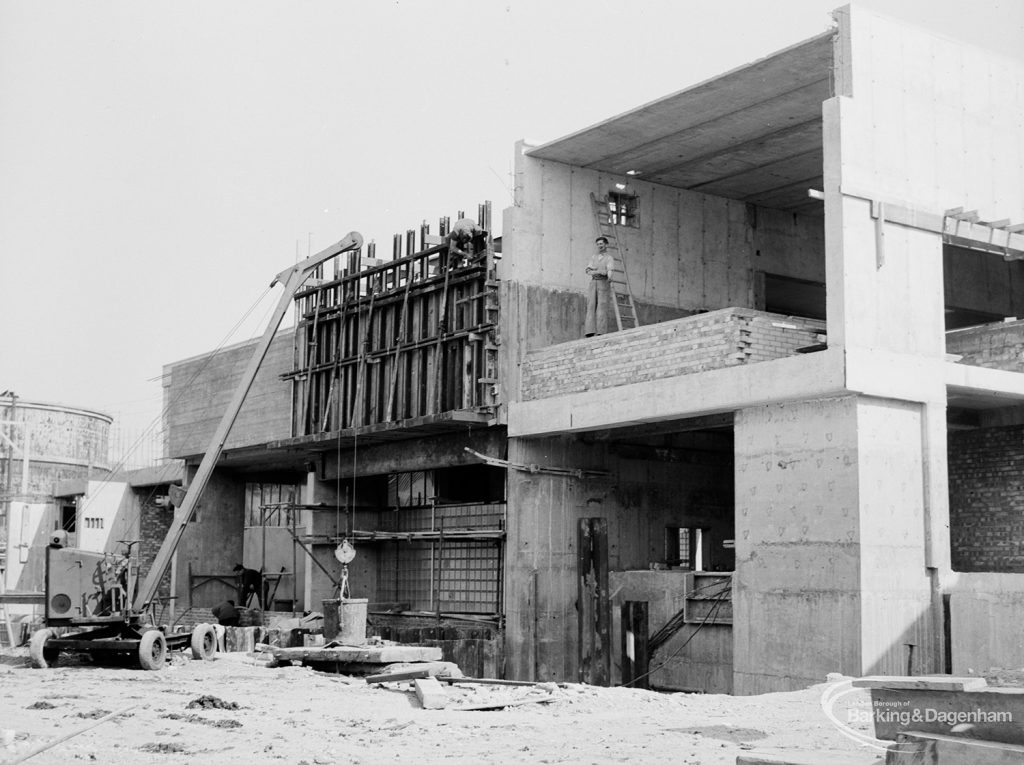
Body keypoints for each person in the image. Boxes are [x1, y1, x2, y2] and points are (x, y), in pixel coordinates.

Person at [584, 235, 615, 336]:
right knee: (591, 305)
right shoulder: (593, 257)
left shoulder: (609, 258)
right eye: (598, 244)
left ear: (606, 245)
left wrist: (608, 276)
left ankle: (601, 331)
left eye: (601, 244)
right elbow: (588, 270)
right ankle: (589, 331)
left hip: (603, 283)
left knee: (602, 306)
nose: (599, 246)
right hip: (593, 283)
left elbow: (609, 271)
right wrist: (599, 271)